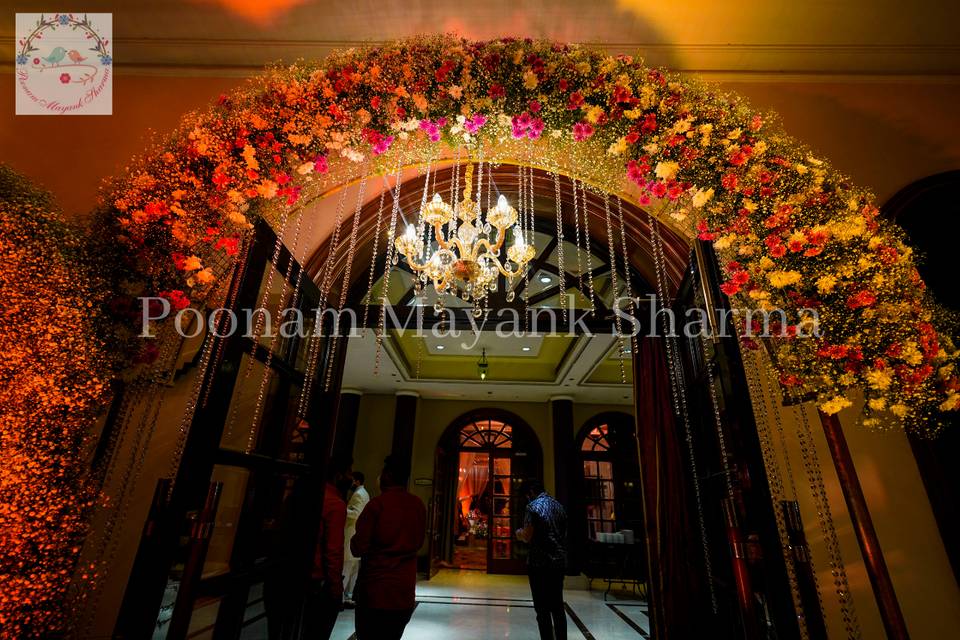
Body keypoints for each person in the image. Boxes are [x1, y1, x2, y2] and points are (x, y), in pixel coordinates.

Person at [350, 455, 427, 640]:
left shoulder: (377, 505)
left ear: (389, 475)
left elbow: (358, 547)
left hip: (375, 591)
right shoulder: (418, 505)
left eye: (382, 472)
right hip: (404, 592)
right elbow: (419, 542)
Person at [516, 479, 567, 640]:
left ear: (531, 492)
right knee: (557, 607)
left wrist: (519, 533)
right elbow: (564, 534)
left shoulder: (532, 507)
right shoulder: (559, 506)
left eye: (526, 495)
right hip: (558, 562)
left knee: (542, 609)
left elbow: (528, 536)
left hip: (539, 564)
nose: (526, 498)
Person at [304, 460, 349, 639]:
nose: (350, 478)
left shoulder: (301, 495)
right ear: (338, 476)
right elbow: (333, 550)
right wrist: (336, 590)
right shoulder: (335, 504)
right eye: (348, 473)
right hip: (317, 582)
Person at [342, 470, 370, 607]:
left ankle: (341, 596)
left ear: (357, 481)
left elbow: (356, 514)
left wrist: (342, 508)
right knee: (353, 568)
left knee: (347, 567)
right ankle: (348, 595)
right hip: (357, 531)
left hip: (351, 531)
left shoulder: (358, 494)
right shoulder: (364, 493)